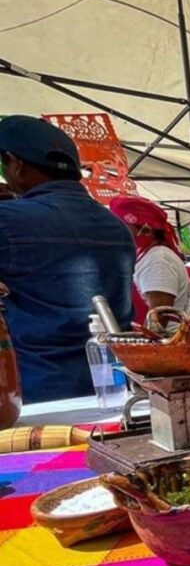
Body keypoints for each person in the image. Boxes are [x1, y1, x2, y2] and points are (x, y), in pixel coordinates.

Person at [0, 115, 134, 402]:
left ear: (16, 164)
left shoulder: (7, 220)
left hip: (39, 389)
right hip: (117, 386)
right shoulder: (117, 227)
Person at [110, 197, 190, 323]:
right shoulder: (146, 255)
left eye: (119, 226)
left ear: (145, 229)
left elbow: (158, 320)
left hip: (165, 340)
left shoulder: (158, 260)